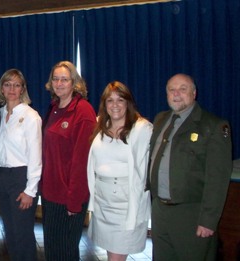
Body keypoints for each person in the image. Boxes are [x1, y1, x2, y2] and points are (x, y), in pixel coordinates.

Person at [148, 73, 232, 261]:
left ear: (194, 93)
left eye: (182, 89)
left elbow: (217, 180)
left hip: (191, 214)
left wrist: (208, 221)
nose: (176, 94)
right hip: (160, 211)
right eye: (171, 90)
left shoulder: (213, 126)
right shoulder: (161, 119)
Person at [87, 81, 152, 261]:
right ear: (104, 104)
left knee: (116, 256)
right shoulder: (101, 125)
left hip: (125, 203)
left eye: (120, 100)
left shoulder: (141, 128)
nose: (115, 105)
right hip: (103, 201)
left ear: (128, 103)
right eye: (110, 100)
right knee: (111, 252)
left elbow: (142, 172)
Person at [41, 61, 97, 260]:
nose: (59, 83)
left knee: (65, 253)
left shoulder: (83, 111)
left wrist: (74, 202)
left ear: (74, 82)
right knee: (52, 251)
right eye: (55, 79)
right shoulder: (54, 107)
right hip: (50, 194)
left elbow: (82, 162)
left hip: (68, 198)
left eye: (64, 79)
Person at [0, 69, 42, 261]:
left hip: (21, 178)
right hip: (1, 177)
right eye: (7, 84)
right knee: (10, 233)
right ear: (2, 88)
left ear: (23, 89)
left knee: (22, 234)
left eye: (17, 84)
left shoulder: (31, 116)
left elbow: (36, 156)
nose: (12, 88)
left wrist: (31, 190)